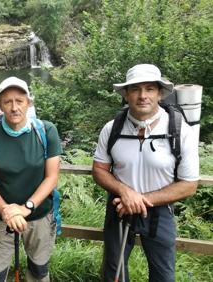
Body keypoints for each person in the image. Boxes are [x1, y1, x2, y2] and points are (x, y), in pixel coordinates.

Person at [92, 64, 199, 281]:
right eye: (135, 89)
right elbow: (99, 169)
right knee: (114, 273)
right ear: (126, 94)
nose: (143, 96)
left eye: (149, 89)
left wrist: (140, 199)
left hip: (160, 212)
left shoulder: (180, 131)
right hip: (120, 207)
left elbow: (189, 184)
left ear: (160, 93)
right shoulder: (112, 128)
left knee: (163, 275)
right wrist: (125, 192)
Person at [0, 77, 62, 282]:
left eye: (19, 101)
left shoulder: (46, 131)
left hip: (39, 215)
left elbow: (51, 177)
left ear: (28, 103)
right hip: (1, 216)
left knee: (39, 271)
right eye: (8, 102)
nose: (14, 107)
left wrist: (26, 207)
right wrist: (6, 210)